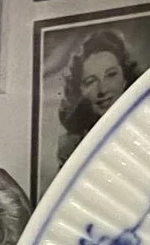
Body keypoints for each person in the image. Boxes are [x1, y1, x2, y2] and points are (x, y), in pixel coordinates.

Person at [44, 27, 143, 184]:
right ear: (80, 91)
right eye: (90, 81)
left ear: (125, 78)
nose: (102, 90)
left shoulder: (147, 128)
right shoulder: (72, 148)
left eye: (111, 75)